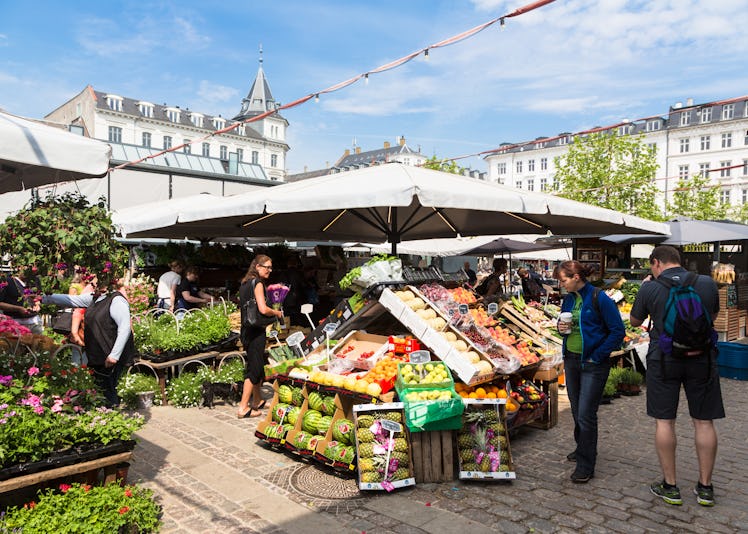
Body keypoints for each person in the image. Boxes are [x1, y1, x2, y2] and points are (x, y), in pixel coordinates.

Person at [630, 245, 723, 506]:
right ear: (679, 261)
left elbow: (635, 321)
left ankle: (670, 486)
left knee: (665, 421)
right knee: (704, 422)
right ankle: (705, 488)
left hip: (664, 359)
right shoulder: (706, 283)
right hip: (701, 359)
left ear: (656, 262)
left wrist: (647, 289)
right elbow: (711, 317)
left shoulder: (650, 286)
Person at [555, 260, 625, 483]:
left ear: (576, 278)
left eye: (563, 280)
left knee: (586, 414)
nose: (561, 284)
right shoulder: (568, 299)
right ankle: (582, 447)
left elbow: (617, 331)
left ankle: (587, 463)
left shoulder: (599, 297)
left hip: (593, 364)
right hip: (572, 360)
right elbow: (567, 327)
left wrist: (598, 354)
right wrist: (561, 330)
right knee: (576, 410)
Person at [42, 269, 135, 407]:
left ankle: (111, 417)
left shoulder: (116, 300)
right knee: (101, 388)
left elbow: (124, 328)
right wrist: (44, 298)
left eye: (94, 282)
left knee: (108, 389)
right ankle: (105, 416)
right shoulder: (95, 298)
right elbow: (73, 300)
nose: (91, 285)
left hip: (110, 352)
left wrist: (114, 355)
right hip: (99, 352)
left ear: (104, 284)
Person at [237, 255, 283, 419]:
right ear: (257, 266)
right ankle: (243, 407)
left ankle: (257, 400)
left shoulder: (245, 283)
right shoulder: (257, 284)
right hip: (256, 331)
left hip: (246, 330)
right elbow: (263, 309)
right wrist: (276, 312)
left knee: (255, 363)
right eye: (267, 267)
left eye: (271, 267)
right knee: (255, 369)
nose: (269, 270)